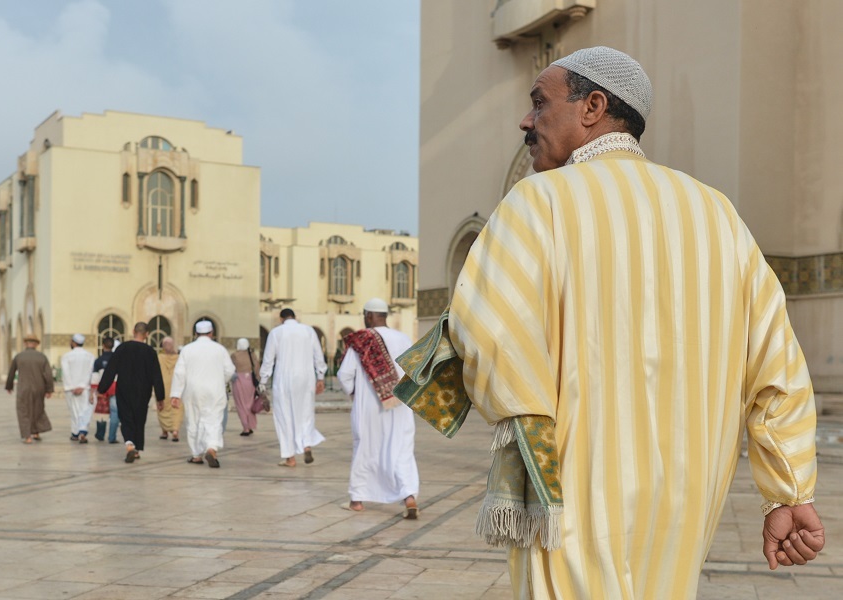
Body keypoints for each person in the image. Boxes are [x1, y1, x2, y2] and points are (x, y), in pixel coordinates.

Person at [433, 46, 823, 597]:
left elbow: (485, 330)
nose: (526, 120)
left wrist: (517, 419)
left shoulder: (537, 202)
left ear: (593, 106)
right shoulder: (718, 215)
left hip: (568, 496)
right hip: (684, 507)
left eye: (539, 103)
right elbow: (778, 369)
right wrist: (790, 493)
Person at [338, 298, 419, 518]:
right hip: (400, 404)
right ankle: (409, 497)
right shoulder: (403, 338)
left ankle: (357, 500)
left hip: (369, 407)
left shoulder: (361, 340)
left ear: (370, 315)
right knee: (401, 449)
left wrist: (354, 394)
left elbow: (345, 375)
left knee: (365, 448)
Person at [259, 308, 327, 467]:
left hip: (284, 379)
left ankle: (290, 457)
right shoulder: (308, 331)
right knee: (305, 412)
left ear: (281, 319)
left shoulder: (276, 333)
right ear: (295, 317)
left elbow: (268, 360)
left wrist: (263, 382)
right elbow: (319, 355)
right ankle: (306, 444)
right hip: (306, 378)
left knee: (284, 416)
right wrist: (321, 377)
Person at [97, 322, 165, 463]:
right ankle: (137, 448)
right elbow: (156, 376)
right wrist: (160, 397)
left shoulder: (122, 348)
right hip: (143, 391)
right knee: (139, 419)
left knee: (126, 417)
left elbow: (111, 370)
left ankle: (129, 444)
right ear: (147, 334)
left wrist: (101, 389)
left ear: (133, 331)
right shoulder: (150, 352)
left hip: (124, 388)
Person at [170, 320, 235, 468]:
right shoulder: (220, 349)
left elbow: (180, 373)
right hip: (215, 390)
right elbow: (230, 370)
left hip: (193, 390)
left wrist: (176, 394)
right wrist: (220, 380)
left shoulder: (187, 349)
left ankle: (196, 455)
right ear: (211, 333)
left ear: (196, 333)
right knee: (214, 419)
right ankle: (211, 447)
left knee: (193, 420)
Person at [5, 333, 54, 444]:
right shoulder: (42, 357)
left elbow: (11, 373)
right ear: (36, 344)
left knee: (24, 411)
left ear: (25, 344)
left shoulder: (19, 356)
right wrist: (49, 389)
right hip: (39, 388)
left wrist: (9, 386)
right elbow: (49, 375)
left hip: (24, 388)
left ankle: (28, 437)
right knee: (38, 409)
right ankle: (36, 432)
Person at [60, 333, 96, 443]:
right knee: (85, 410)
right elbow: (91, 373)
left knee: (74, 411)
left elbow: (66, 373)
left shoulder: (66, 356)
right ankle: (82, 432)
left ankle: (75, 433)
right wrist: (83, 386)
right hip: (85, 388)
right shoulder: (90, 356)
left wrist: (72, 387)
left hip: (71, 389)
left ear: (73, 342)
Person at [230, 338, 260, 436]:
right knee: (250, 404)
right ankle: (250, 425)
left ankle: (246, 428)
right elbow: (257, 369)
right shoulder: (252, 355)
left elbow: (230, 368)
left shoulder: (234, 355)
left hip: (239, 381)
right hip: (250, 381)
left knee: (241, 405)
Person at [92, 336, 119, 442]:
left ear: (103, 346)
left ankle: (100, 433)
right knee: (115, 412)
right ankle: (112, 437)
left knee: (101, 412)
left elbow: (95, 377)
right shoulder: (117, 359)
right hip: (115, 387)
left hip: (103, 387)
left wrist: (94, 391)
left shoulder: (98, 361)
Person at [156, 337, 182, 442]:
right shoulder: (179, 358)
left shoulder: (159, 357)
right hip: (176, 386)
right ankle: (175, 430)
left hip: (162, 386)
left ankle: (164, 431)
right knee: (177, 408)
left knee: (162, 408)